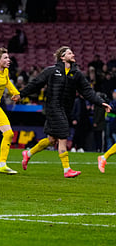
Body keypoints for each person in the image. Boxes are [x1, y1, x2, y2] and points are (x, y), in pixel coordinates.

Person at [19, 46, 110, 177]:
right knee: (63, 135)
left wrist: (100, 103)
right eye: (69, 53)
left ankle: (27, 154)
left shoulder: (76, 74)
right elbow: (36, 84)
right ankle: (67, 169)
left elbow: (87, 91)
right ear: (62, 57)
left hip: (65, 109)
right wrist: (21, 94)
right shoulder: (51, 71)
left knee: (51, 140)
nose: (73, 54)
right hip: (52, 108)